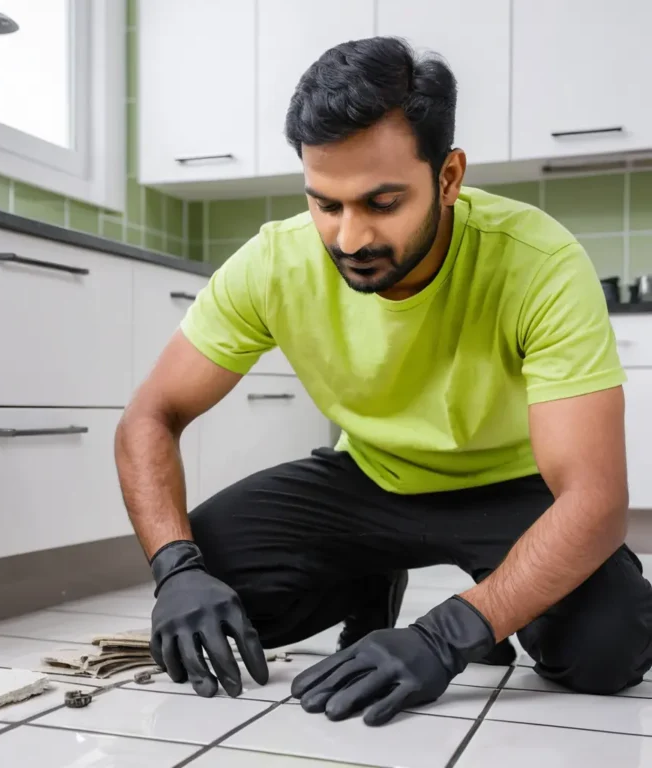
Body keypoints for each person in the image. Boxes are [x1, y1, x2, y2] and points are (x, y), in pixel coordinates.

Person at [114, 35, 652, 727]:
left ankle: (502, 608)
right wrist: (176, 569)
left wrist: (450, 634)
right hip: (366, 479)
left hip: (512, 489)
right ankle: (370, 578)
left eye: (382, 202)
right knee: (204, 602)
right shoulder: (273, 263)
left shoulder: (540, 263)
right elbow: (148, 419)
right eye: (326, 204)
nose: (349, 238)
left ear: (449, 177)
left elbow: (597, 499)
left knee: (609, 651)